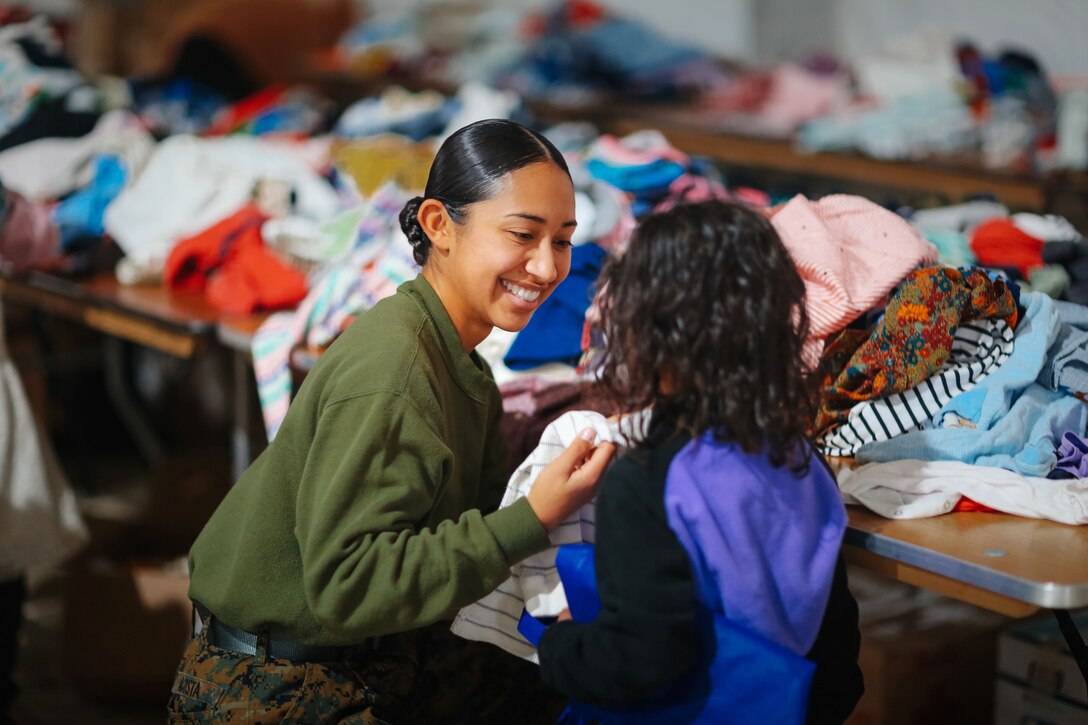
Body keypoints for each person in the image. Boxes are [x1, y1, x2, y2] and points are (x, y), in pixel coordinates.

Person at [167, 118, 615, 723]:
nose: (545, 267)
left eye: (562, 241)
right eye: (522, 235)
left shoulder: (464, 367)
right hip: (278, 685)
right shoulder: (396, 370)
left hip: (365, 650)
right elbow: (348, 584)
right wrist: (534, 518)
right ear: (439, 225)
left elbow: (460, 537)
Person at [536, 200, 864, 723]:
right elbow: (838, 653)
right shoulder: (803, 461)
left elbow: (641, 662)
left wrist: (562, 645)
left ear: (647, 334)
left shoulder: (646, 484)